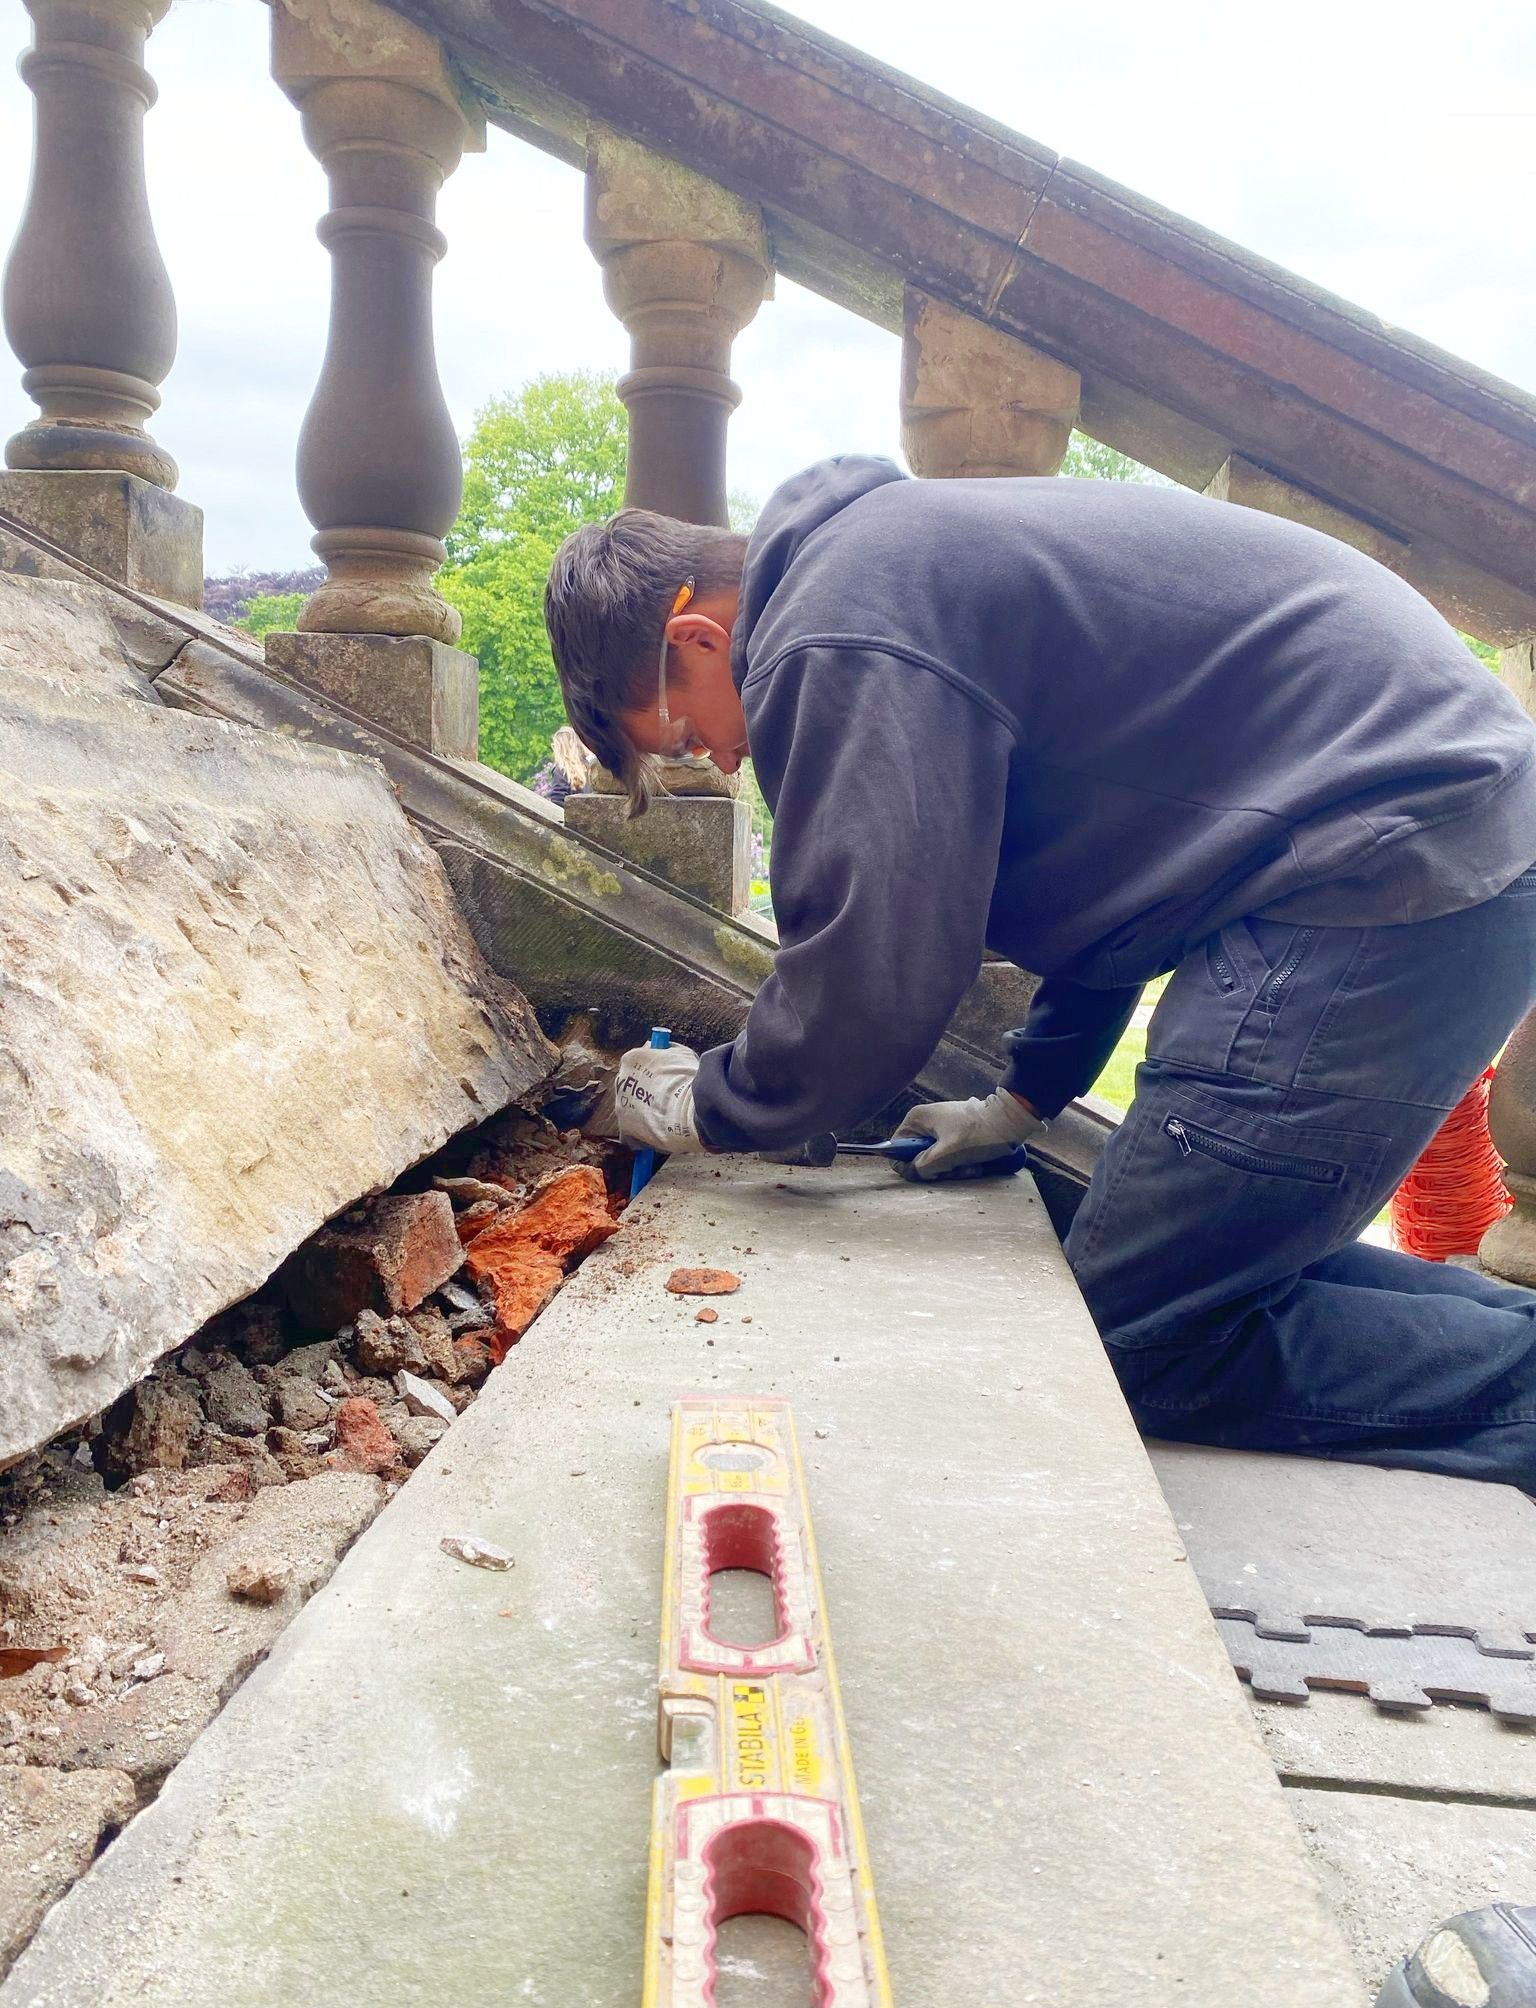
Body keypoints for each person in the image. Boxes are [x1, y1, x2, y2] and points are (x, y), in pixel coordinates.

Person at [545, 455, 1536, 1494]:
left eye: (695, 734)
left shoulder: (836, 632)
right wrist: (1024, 1097)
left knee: (1136, 1335)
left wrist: (705, 1103)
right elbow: (1125, 872)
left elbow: (867, 980)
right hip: (1423, 843)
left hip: (1386, 872)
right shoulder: (885, 571)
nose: (728, 760)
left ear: (696, 639)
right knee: (1210, 1250)